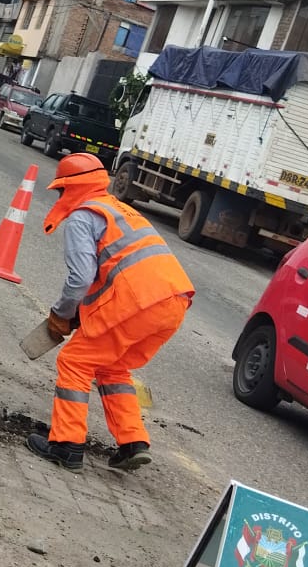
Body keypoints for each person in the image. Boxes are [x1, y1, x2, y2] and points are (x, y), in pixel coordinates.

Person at [28, 152, 194, 473]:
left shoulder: (82, 216)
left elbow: (80, 278)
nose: (60, 197)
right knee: (112, 367)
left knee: (74, 361)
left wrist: (61, 314)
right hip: (173, 303)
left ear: (71, 187)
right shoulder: (122, 210)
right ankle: (133, 443)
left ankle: (66, 445)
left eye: (61, 190)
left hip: (135, 303)